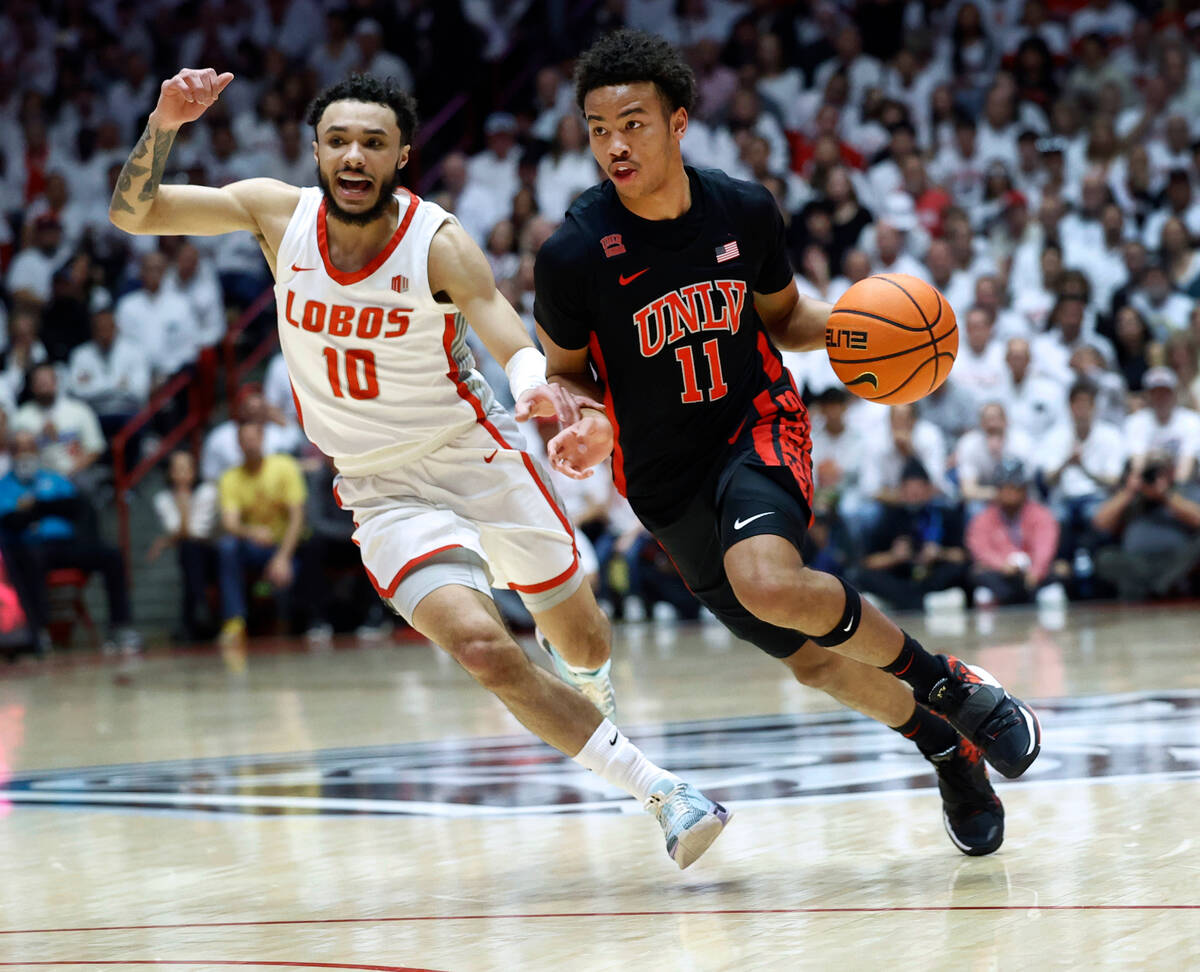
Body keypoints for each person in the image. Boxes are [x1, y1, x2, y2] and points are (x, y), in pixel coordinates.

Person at [109, 67, 726, 869]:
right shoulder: (273, 214)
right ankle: (663, 793)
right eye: (338, 141)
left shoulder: (436, 240)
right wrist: (164, 121)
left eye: (373, 142)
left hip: (475, 458)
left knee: (582, 637)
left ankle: (594, 694)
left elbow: (504, 332)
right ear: (317, 152)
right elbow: (136, 213)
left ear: (402, 155)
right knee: (482, 648)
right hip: (379, 487)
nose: (354, 157)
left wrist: (540, 389)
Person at [535, 30, 1041, 859]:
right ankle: (949, 747)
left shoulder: (742, 209)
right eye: (597, 128)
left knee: (766, 579)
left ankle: (954, 689)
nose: (615, 144)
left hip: (755, 421)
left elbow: (781, 318)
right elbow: (570, 374)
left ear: (679, 122)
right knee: (814, 665)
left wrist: (861, 330)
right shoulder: (573, 252)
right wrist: (585, 419)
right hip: (664, 483)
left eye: (634, 122)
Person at [0, 430, 141, 653]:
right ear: (11, 452)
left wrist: (34, 508)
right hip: (29, 550)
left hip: (65, 545)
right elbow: (11, 521)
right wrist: (48, 508)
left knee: (111, 555)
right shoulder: (4, 486)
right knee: (28, 558)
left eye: (29, 447)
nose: (24, 454)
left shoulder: (54, 479)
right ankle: (39, 630)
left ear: (36, 451)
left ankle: (120, 628)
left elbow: (75, 507)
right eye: (19, 448)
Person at [216, 422, 306, 641]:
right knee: (226, 546)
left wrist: (282, 557)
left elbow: (298, 517)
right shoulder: (230, 478)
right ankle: (234, 619)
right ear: (238, 444)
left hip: (285, 545)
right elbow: (229, 523)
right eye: (244, 440)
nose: (250, 445)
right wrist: (251, 532)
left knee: (311, 549)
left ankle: (304, 622)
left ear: (263, 438)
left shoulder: (284, 466)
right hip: (253, 548)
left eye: (253, 439)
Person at [964, 458, 1061, 607]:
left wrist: (1035, 571)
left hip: (1034, 576)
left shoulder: (1041, 515)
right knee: (981, 584)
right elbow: (980, 549)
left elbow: (1045, 548)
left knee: (1055, 585)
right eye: (1005, 487)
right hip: (1000, 576)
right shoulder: (983, 519)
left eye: (1014, 486)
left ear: (1024, 489)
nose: (1009, 492)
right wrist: (1002, 565)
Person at [148, 449, 219, 642]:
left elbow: (198, 532)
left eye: (186, 468)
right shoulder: (162, 499)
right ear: (169, 473)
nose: (182, 473)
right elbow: (184, 531)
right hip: (191, 552)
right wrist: (183, 502)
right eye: (177, 469)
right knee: (189, 552)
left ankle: (192, 617)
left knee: (190, 551)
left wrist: (165, 541)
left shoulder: (207, 492)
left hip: (214, 552)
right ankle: (199, 611)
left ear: (195, 471)